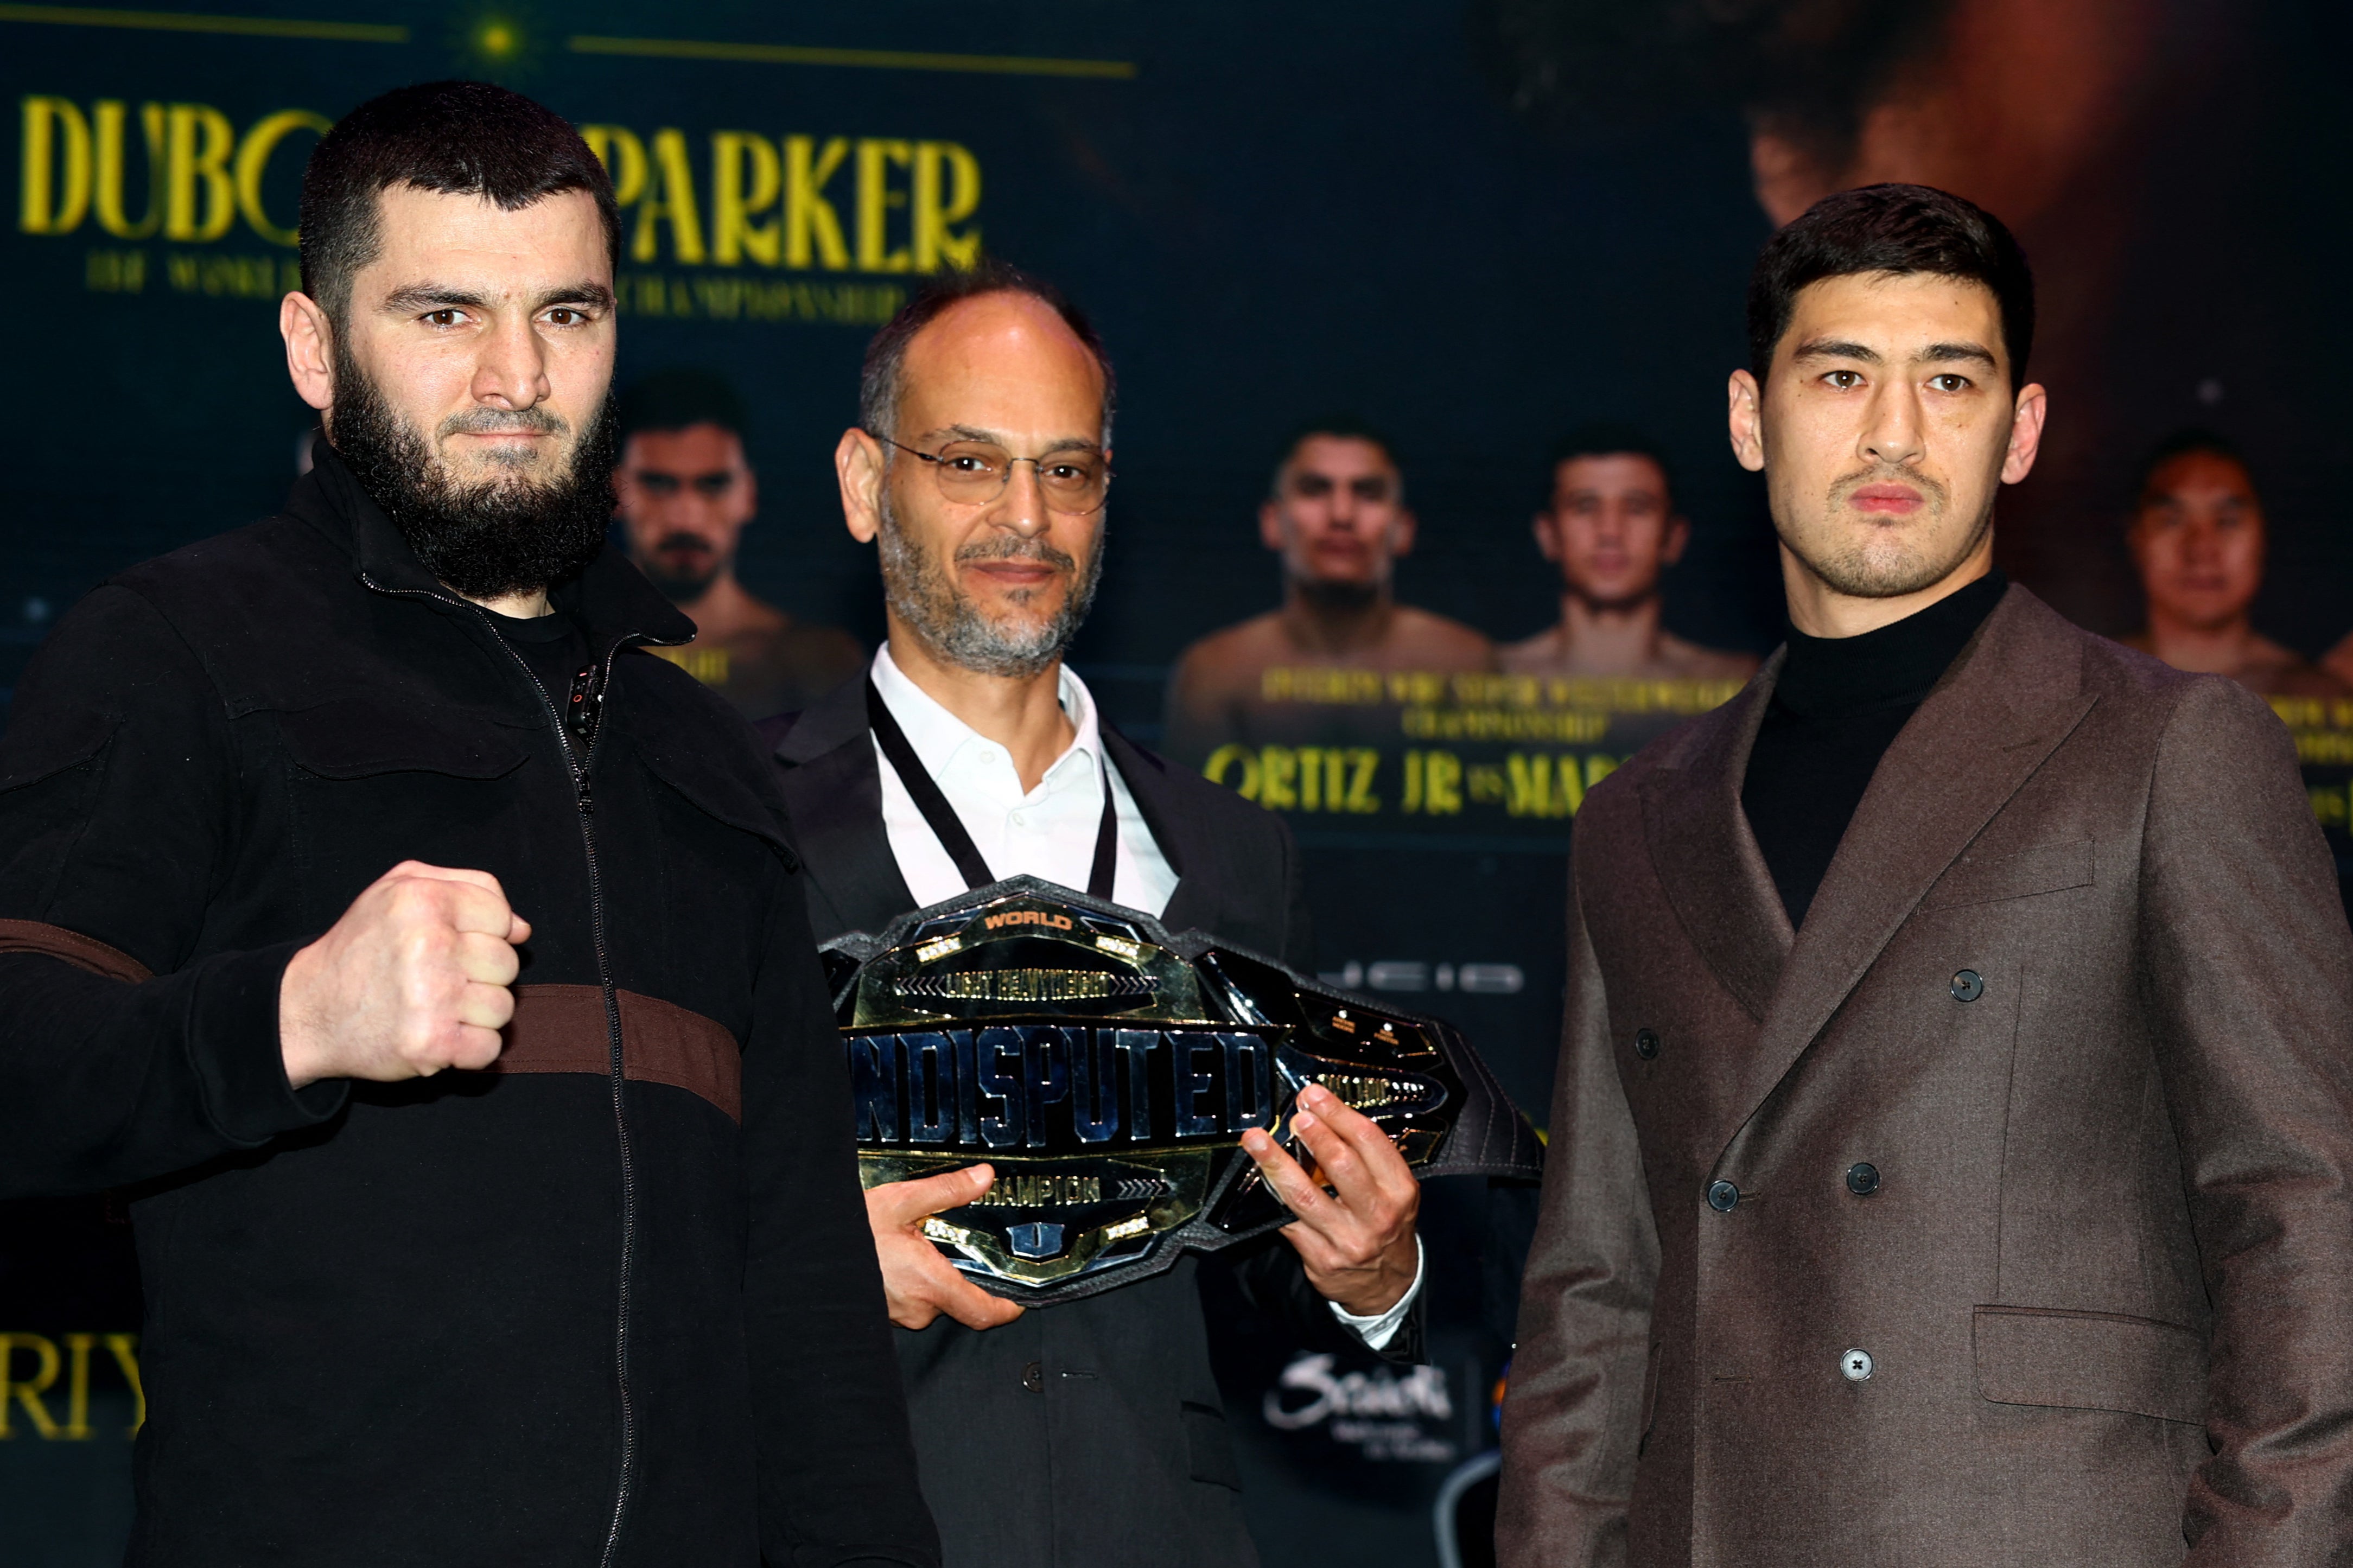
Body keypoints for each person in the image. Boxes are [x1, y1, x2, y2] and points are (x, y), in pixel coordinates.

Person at [0, 82, 933, 1567]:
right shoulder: (180, 651)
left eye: (568, 314)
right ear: (315, 349)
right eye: (443, 315)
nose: (517, 375)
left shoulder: (700, 753)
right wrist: (295, 1015)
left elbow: (808, 1311)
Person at [1498, 183, 2353, 1565]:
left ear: (2017, 431)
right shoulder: (1636, 818)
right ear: (1746, 415)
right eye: (1839, 373)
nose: (1893, 432)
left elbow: (2305, 1218)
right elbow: (1595, 1289)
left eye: (1947, 379)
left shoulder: (2167, 749)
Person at [760, 262, 1427, 1568]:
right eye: (968, 461)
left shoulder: (1232, 854)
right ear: (861, 481)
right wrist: (802, 1260)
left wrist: (1371, 1273)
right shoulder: (726, 819)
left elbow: (1264, 1256)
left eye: (1066, 471)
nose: (1026, 518)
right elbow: (620, 1221)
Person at [1163, 420, 1495, 764]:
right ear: (1272, 522)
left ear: (1403, 528)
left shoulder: (1464, 665)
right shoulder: (1215, 672)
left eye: (1368, 493)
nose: (1342, 515)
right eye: (1314, 489)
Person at [614, 368, 867, 718]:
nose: (686, 516)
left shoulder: (816, 663)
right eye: (658, 484)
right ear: (613, 490)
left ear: (748, 493)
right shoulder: (560, 648)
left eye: (713, 484)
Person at [1499, 423, 1759, 680]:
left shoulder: (1736, 682)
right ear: (1548, 535)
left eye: (1637, 508)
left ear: (1673, 538)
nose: (1610, 532)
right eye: (1585, 506)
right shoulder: (1491, 675)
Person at [2119, 429, 2346, 698]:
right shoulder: (2085, 686)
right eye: (2172, 520)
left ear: (2263, 536)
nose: (2202, 549)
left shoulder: (2322, 699)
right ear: (2136, 537)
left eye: (2228, 521)